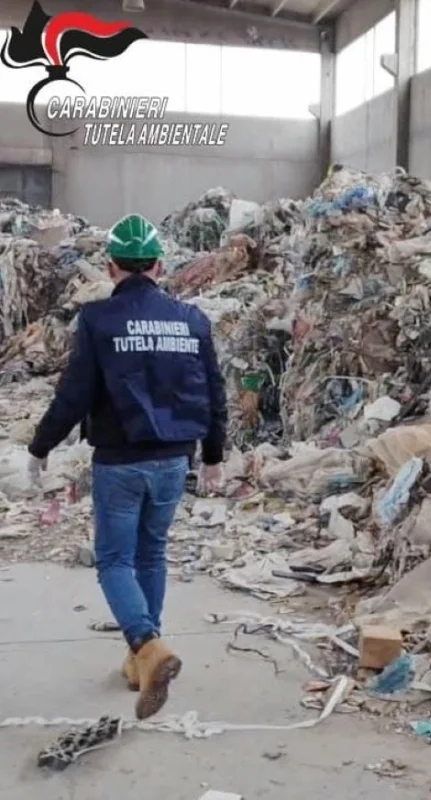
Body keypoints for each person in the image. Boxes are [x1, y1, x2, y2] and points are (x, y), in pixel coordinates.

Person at [27, 213, 227, 720]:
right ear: (160, 264)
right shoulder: (192, 319)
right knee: (151, 555)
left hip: (120, 461)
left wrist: (40, 445)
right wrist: (213, 456)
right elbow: (213, 392)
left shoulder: (98, 320)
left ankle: (146, 644)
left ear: (111, 265)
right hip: (172, 461)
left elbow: (75, 394)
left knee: (114, 561)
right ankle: (141, 664)